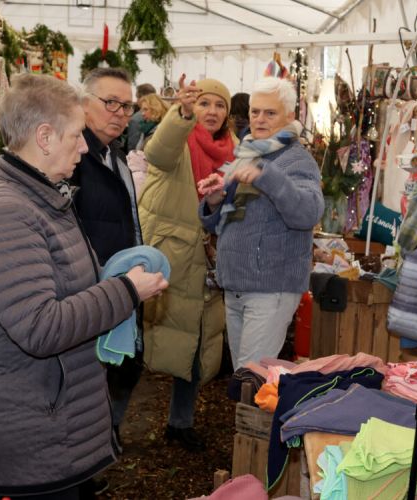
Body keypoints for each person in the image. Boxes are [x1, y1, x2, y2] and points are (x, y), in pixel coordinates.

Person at [0, 74, 168, 499]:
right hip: (26, 427)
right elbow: (40, 327)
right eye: (76, 135)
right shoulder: (6, 214)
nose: (84, 147)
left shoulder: (44, 197)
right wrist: (125, 291)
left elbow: (68, 280)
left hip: (48, 417)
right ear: (45, 137)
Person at [138, 74, 235, 451]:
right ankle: (111, 425)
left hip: (206, 257)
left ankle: (181, 423)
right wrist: (180, 112)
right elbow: (156, 154)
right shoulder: (178, 137)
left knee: (194, 341)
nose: (211, 111)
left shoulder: (234, 149)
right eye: (205, 103)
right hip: (167, 254)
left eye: (219, 105)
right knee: (137, 344)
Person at [198, 77, 323, 370]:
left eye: (270, 113)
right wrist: (215, 200)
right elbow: (223, 222)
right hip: (237, 282)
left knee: (251, 378)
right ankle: (248, 418)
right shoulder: (246, 154)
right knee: (247, 377)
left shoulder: (297, 161)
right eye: (255, 112)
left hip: (271, 288)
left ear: (290, 117)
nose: (259, 119)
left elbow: (308, 213)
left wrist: (266, 175)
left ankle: (253, 418)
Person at [69, 67, 143, 455]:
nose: (119, 113)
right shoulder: (74, 157)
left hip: (120, 288)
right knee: (89, 382)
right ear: (83, 104)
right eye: (110, 102)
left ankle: (102, 441)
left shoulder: (114, 157)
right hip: (88, 293)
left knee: (121, 371)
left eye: (126, 106)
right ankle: (90, 452)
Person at [124, 83, 156, 153]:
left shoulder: (136, 119)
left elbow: (132, 148)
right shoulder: (162, 115)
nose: (137, 100)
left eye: (137, 97)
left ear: (141, 98)